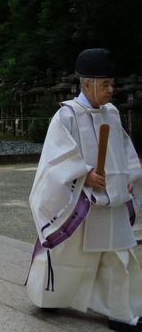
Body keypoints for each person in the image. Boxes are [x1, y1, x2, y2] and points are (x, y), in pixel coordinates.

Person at [26, 48, 142, 331]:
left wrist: (130, 177)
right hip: (82, 203)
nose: (111, 89)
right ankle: (50, 298)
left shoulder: (112, 114)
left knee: (119, 256)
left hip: (113, 201)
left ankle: (122, 313)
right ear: (86, 84)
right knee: (68, 255)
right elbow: (55, 159)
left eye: (112, 84)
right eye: (105, 84)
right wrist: (83, 174)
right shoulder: (67, 115)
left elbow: (126, 151)